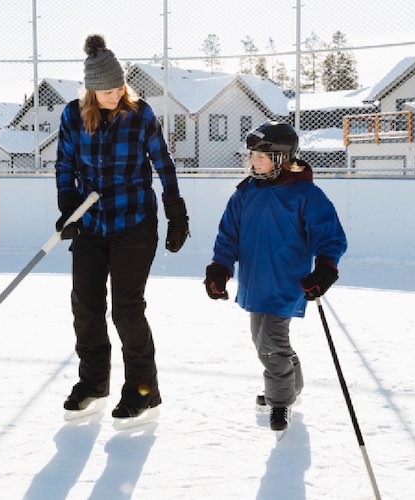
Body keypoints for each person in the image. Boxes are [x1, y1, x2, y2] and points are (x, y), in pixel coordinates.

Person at [54, 34, 189, 420]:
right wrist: (68, 206)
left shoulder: (140, 113)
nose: (115, 95)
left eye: (119, 87)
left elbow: (163, 164)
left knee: (127, 310)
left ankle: (142, 390)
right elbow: (65, 165)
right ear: (91, 91)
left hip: (134, 222)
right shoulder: (72, 116)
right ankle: (94, 382)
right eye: (107, 90)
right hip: (92, 222)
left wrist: (176, 211)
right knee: (85, 305)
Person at [204, 121, 347, 431]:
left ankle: (280, 403)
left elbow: (330, 236)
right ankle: (291, 386)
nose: (254, 162)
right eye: (252, 156)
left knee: (271, 342)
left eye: (261, 157)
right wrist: (220, 267)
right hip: (256, 280)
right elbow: (228, 235)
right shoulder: (245, 193)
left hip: (287, 281)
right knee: (263, 341)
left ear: (282, 158)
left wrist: (325, 268)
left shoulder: (305, 194)